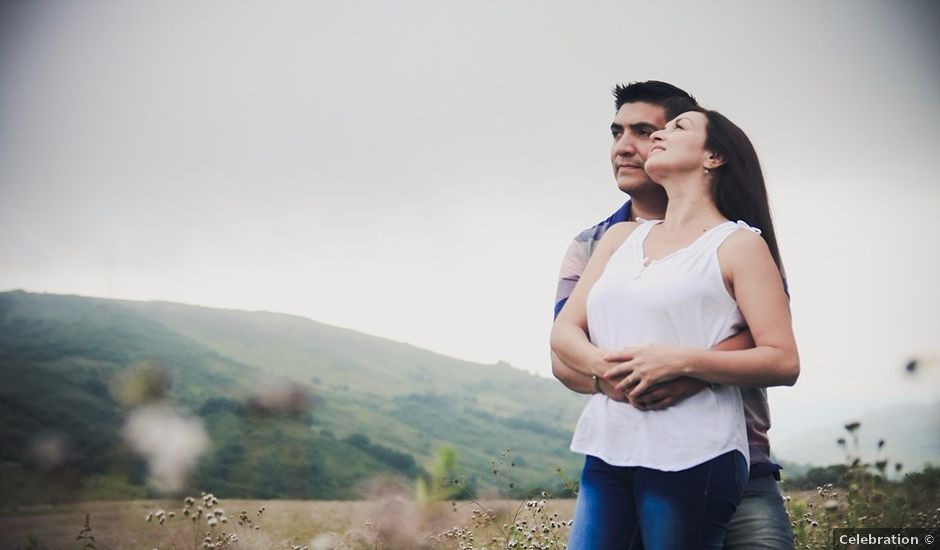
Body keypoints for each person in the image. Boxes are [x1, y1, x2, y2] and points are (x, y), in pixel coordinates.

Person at [550, 82, 799, 549]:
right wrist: (616, 376)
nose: (628, 146)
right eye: (617, 132)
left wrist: (683, 368)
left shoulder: (739, 243)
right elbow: (564, 344)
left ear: (713, 156)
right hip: (614, 447)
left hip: (723, 454)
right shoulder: (603, 241)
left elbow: (772, 341)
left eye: (649, 130)